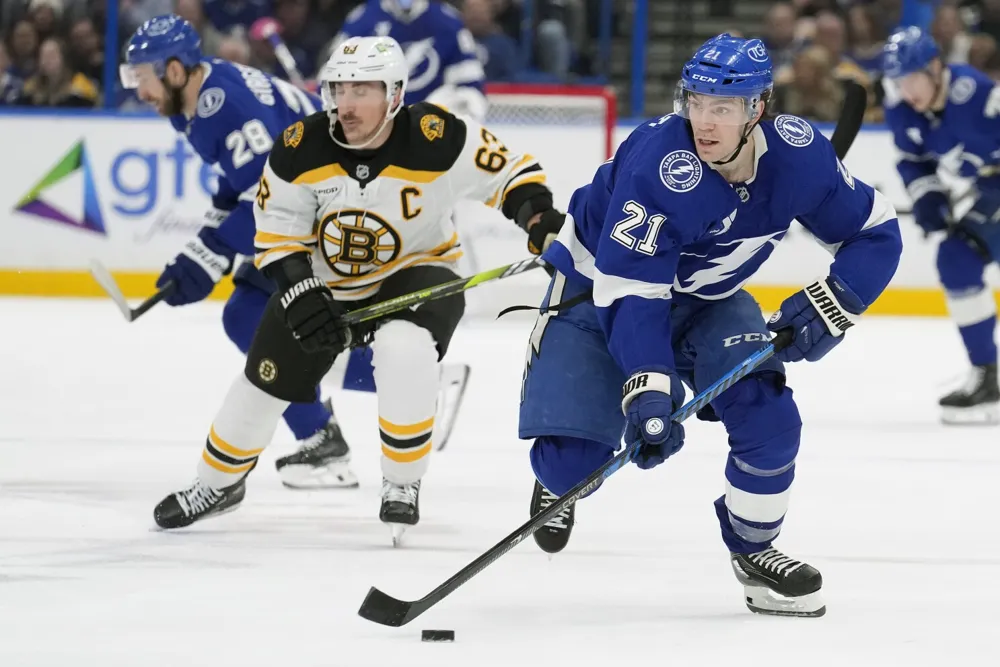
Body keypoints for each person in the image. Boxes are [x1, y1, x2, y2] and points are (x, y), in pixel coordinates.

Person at [518, 34, 902, 617]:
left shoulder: (798, 156)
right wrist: (648, 383)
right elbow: (633, 295)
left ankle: (755, 552)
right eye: (695, 102)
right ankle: (560, 475)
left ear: (758, 109)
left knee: (770, 416)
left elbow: (875, 232)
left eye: (722, 107)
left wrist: (837, 299)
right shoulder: (658, 165)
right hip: (601, 295)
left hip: (709, 302)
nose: (703, 120)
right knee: (574, 464)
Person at [153, 36, 565, 546]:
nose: (346, 104)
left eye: (362, 90)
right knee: (263, 383)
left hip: (419, 270)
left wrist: (538, 217)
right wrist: (300, 292)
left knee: (405, 349)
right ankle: (214, 485)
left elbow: (509, 173)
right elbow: (276, 230)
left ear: (394, 95)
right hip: (326, 284)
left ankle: (402, 483)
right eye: (339, 89)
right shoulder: (300, 146)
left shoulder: (436, 136)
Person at [120, 15, 362, 490]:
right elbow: (243, 184)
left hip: (338, 206)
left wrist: (207, 254)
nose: (137, 91)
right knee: (251, 316)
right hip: (323, 201)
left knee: (253, 316)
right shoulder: (201, 93)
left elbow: (271, 201)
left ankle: (381, 395)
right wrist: (205, 247)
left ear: (172, 70)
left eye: (141, 78)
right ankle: (367, 402)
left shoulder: (222, 107)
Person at [882, 26, 1000, 425]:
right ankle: (987, 378)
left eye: (913, 77)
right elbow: (912, 159)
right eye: (900, 81)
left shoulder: (978, 93)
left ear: (936, 67)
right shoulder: (903, 108)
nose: (907, 90)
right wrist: (928, 195)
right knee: (956, 258)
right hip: (993, 189)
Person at [332, 0, 487, 118]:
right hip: (373, 133)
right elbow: (331, 80)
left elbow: (471, 89)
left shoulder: (448, 22)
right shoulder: (361, 20)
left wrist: (443, 113)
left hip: (431, 135)